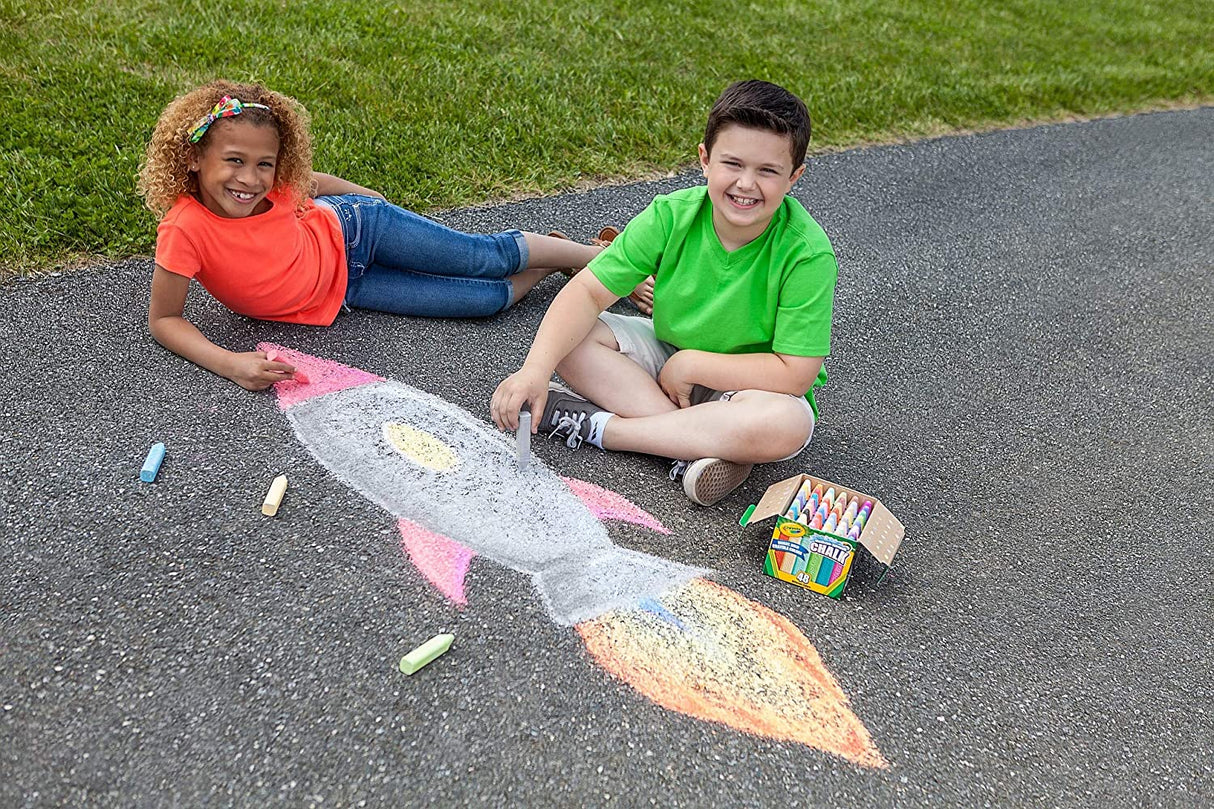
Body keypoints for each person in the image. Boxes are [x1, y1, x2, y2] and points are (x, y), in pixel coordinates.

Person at [490, 80, 837, 507]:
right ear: (705, 159)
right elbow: (587, 292)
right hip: (666, 355)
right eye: (733, 163)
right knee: (568, 338)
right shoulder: (671, 215)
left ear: (794, 177)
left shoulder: (807, 253)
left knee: (785, 424)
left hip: (751, 389)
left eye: (767, 171)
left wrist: (693, 364)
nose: (746, 183)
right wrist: (534, 371)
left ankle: (603, 429)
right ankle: (694, 447)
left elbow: (796, 374)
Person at [137, 79, 610, 391]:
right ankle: (552, 259)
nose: (250, 178)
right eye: (234, 161)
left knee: (483, 258)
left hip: (361, 229)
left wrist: (370, 199)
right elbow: (165, 320)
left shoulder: (277, 185)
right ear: (194, 158)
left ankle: (598, 256)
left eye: (265, 163)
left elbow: (314, 184)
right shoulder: (185, 229)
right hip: (348, 288)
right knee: (485, 301)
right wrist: (230, 362)